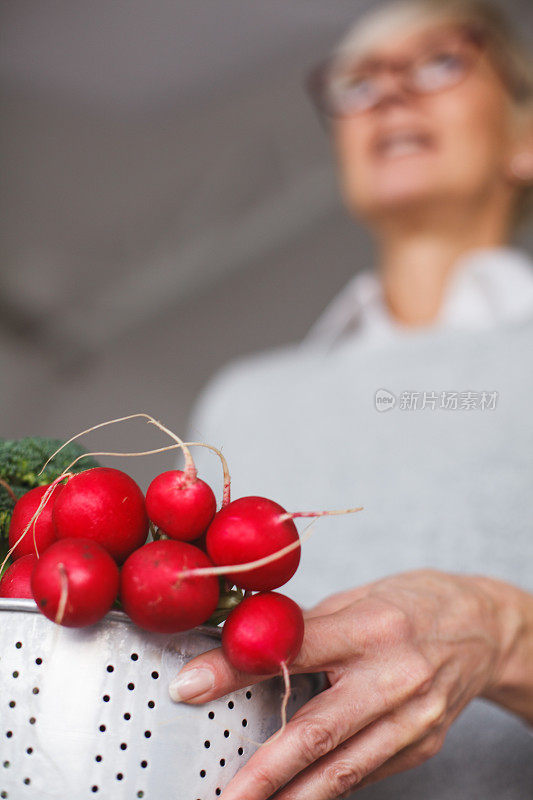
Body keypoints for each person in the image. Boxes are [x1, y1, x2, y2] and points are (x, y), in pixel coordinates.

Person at [169, 1, 533, 798]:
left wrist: (502, 631)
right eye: (357, 82)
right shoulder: (240, 399)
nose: (389, 94)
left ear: (524, 138)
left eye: (439, 62)